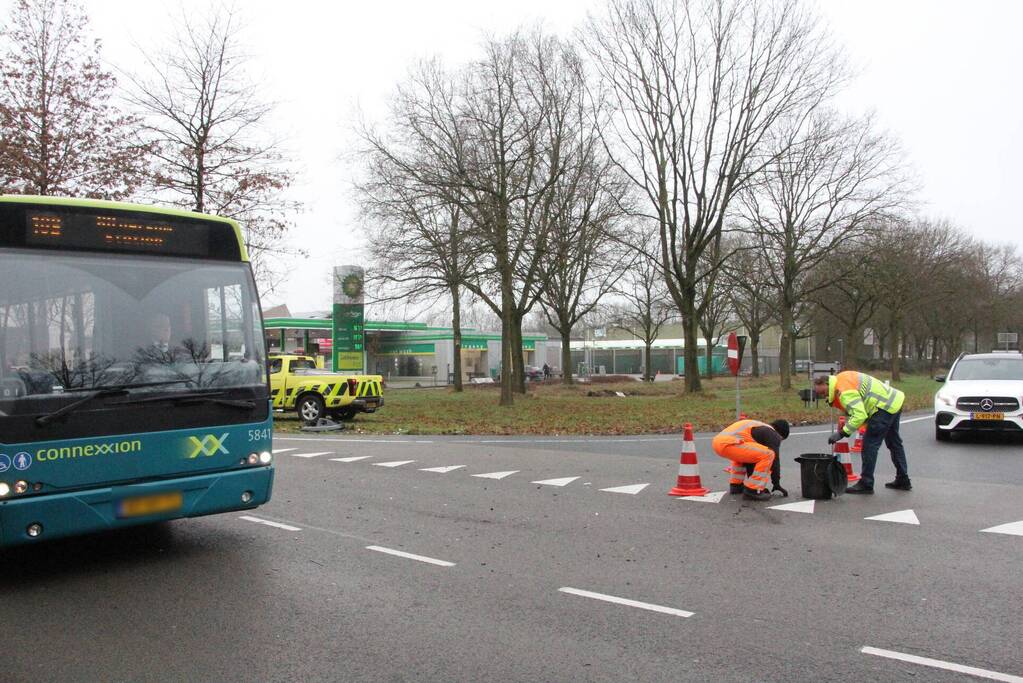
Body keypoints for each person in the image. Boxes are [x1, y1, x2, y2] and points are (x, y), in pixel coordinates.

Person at [815, 371, 910, 494]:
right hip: (893, 401)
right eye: (821, 395)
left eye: (823, 392)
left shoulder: (843, 391)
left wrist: (842, 433)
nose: (825, 396)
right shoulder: (842, 378)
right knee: (894, 443)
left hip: (882, 408)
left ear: (826, 383)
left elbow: (859, 415)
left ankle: (866, 483)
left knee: (869, 445)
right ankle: (903, 479)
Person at [711, 418, 790, 501]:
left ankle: (736, 486)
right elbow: (775, 461)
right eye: (781, 440)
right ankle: (753, 491)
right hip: (730, 443)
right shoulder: (773, 434)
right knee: (769, 454)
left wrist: (752, 483)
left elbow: (752, 461)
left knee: (747, 454)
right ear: (780, 434)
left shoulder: (760, 427)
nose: (779, 442)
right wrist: (776, 483)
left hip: (719, 443)